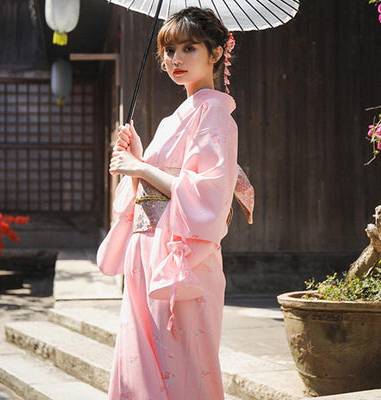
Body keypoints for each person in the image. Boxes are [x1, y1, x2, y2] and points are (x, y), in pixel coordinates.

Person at [97, 7, 254, 400]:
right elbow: (156, 185)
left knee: (183, 361)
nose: (176, 60)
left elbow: (208, 194)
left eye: (189, 48)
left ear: (216, 53)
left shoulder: (216, 114)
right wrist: (138, 159)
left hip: (182, 256)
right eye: (169, 51)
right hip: (147, 250)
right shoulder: (174, 119)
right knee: (142, 360)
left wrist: (140, 167)